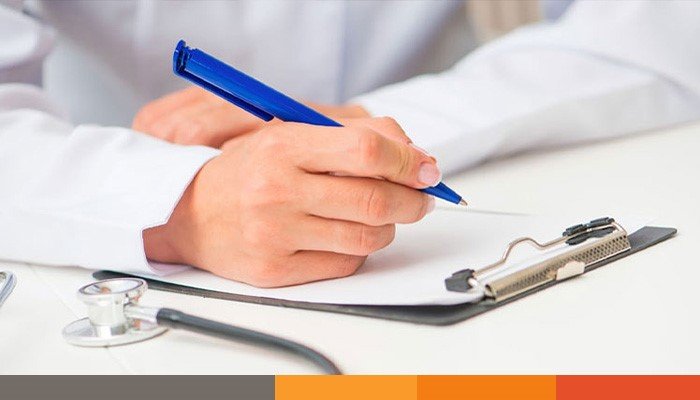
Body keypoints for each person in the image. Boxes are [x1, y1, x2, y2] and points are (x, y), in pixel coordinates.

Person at [1, 0, 699, 287]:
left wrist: (375, 123)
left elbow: (660, 23)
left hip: (442, 146)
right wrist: (179, 207)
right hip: (107, 215)